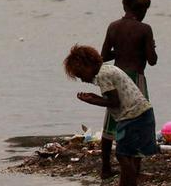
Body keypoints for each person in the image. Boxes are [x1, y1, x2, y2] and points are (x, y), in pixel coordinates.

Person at [64, 45, 157, 186]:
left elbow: (114, 102)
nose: (83, 79)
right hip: (143, 113)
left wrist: (92, 101)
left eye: (81, 75)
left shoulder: (102, 75)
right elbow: (113, 98)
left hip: (132, 117)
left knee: (123, 155)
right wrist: (95, 97)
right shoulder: (108, 69)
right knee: (131, 156)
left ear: (87, 65)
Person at [98, 0, 157, 179]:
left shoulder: (113, 26)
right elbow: (152, 59)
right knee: (137, 122)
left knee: (110, 125)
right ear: (143, 9)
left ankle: (106, 167)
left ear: (124, 5)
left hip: (115, 78)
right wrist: (149, 47)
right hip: (135, 81)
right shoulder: (145, 29)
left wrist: (121, 51)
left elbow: (104, 55)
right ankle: (135, 169)